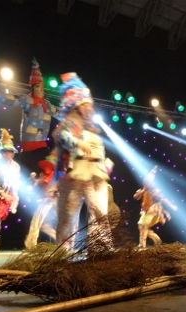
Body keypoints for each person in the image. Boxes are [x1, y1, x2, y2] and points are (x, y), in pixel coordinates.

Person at [53, 72, 114, 253]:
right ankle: (62, 253)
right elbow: (62, 137)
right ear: (77, 107)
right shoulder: (70, 123)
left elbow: (100, 153)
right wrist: (77, 142)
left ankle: (100, 250)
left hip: (95, 175)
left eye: (90, 105)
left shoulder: (93, 129)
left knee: (100, 214)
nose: (90, 109)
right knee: (68, 216)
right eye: (85, 105)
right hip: (75, 174)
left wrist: (105, 164)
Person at [0, 58, 60, 175]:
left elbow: (60, 113)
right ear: (33, 88)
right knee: (24, 175)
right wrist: (0, 96)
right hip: (28, 149)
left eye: (42, 86)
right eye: (37, 86)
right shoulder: (27, 99)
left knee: (45, 175)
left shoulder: (47, 105)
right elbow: (14, 99)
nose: (41, 89)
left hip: (41, 147)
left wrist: (73, 114)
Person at [133, 166, 177, 249]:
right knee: (142, 227)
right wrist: (140, 192)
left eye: (148, 182)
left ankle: (142, 245)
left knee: (143, 226)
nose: (146, 183)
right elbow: (135, 197)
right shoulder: (143, 191)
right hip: (146, 212)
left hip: (151, 211)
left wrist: (172, 206)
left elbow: (164, 199)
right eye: (145, 182)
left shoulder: (154, 192)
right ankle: (156, 239)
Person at [23, 152, 58, 249]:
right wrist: (32, 179)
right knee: (44, 225)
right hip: (46, 202)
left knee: (37, 222)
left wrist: (53, 195)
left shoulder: (55, 178)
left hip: (51, 203)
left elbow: (57, 190)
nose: (46, 169)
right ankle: (62, 242)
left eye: (48, 166)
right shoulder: (45, 177)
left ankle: (31, 245)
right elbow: (36, 184)